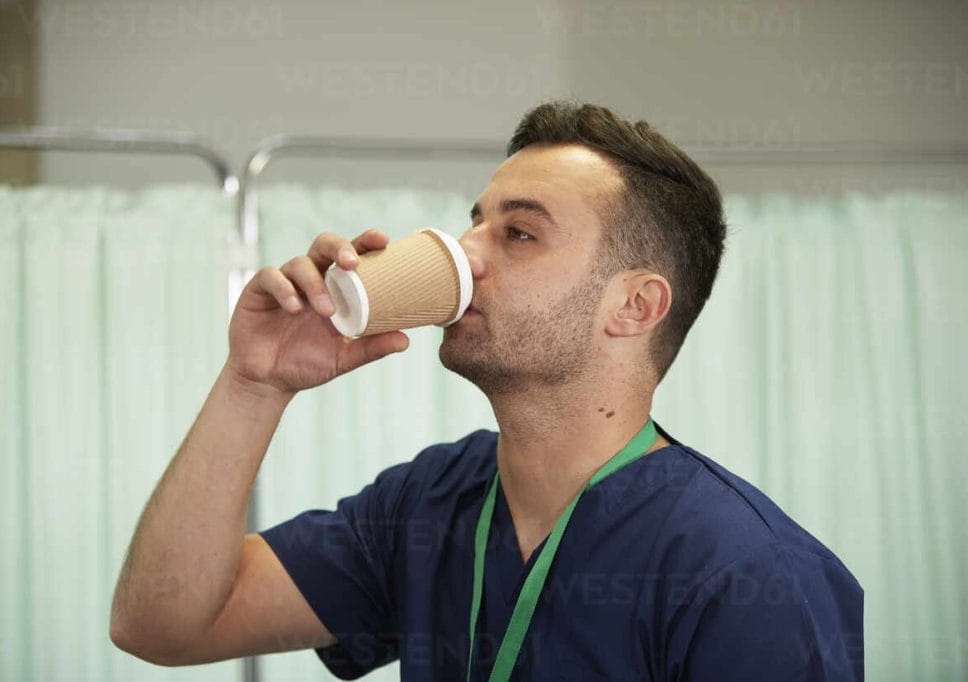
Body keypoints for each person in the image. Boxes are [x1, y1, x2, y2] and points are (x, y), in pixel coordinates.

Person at [110, 102, 864, 680]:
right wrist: (254, 383)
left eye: (519, 234)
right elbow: (163, 626)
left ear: (635, 307)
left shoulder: (749, 576)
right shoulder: (430, 503)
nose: (465, 254)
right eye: (475, 223)